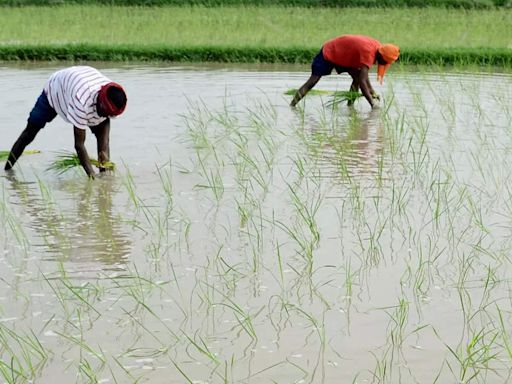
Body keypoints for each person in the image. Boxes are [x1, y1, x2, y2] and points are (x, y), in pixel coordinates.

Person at [4, 66, 127, 179]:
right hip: (56, 89)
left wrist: (104, 175)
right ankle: (7, 170)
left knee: (103, 148)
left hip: (79, 83)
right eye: (106, 114)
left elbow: (104, 142)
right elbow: (79, 145)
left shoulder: (112, 95)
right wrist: (92, 177)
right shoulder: (82, 102)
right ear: (100, 105)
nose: (107, 117)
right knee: (30, 132)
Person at [290, 34, 399, 109]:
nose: (384, 64)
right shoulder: (369, 53)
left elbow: (363, 78)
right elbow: (363, 80)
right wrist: (372, 103)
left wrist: (373, 93)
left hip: (345, 55)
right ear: (381, 56)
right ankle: (292, 105)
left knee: (356, 79)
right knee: (313, 81)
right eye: (385, 62)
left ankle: (350, 107)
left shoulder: (377, 48)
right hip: (331, 51)